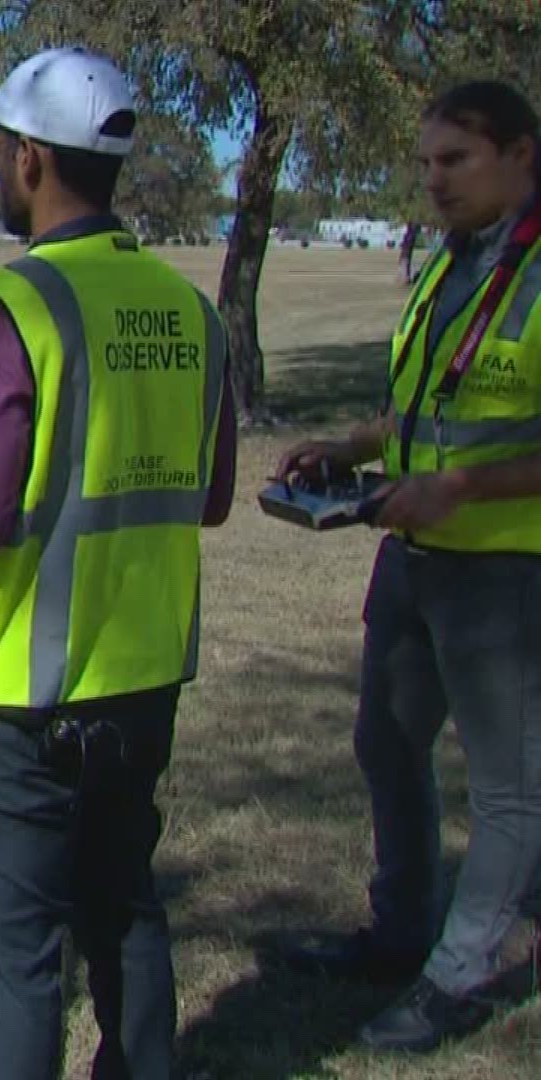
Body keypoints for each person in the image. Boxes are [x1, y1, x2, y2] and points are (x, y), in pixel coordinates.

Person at [0, 46, 236, 1079]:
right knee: (125, 909)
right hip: (140, 688)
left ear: (35, 159)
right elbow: (210, 495)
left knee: (12, 969)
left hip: (13, 708)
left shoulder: (10, 307)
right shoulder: (193, 312)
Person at [274, 79, 541, 1053]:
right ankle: (400, 933)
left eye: (454, 161)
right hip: (411, 556)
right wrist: (353, 449)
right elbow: (431, 405)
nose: (432, 180)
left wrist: (463, 490)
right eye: (426, 161)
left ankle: (459, 975)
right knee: (387, 744)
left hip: (506, 574)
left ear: (519, 155)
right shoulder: (452, 263)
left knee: (512, 789)